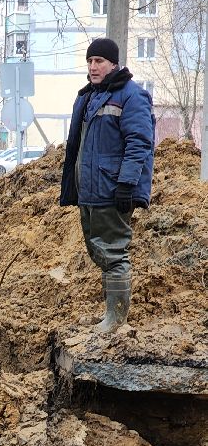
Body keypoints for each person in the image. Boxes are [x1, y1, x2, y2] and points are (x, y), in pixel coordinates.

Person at [60, 37, 154, 334]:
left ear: (114, 63)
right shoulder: (90, 96)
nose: (93, 66)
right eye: (90, 61)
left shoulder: (130, 96)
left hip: (112, 189)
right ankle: (109, 313)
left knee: (114, 252)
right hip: (90, 190)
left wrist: (126, 184)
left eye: (99, 61)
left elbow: (139, 143)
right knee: (99, 251)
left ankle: (116, 320)